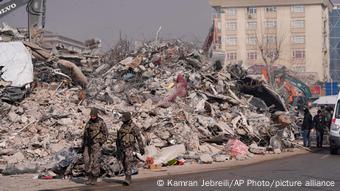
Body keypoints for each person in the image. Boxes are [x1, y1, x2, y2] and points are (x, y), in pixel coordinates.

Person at [116, 112, 145, 186]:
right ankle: (127, 175)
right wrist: (118, 147)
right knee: (123, 161)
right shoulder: (123, 126)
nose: (122, 120)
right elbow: (119, 137)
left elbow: (139, 138)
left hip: (129, 146)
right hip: (122, 147)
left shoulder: (134, 127)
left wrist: (141, 148)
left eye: (124, 119)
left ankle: (128, 178)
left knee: (127, 161)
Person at [82, 108, 108, 185]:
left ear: (96, 115)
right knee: (86, 160)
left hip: (96, 144)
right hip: (88, 144)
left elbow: (106, 134)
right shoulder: (89, 122)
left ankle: (94, 177)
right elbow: (85, 133)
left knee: (95, 161)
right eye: (91, 116)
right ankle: (89, 176)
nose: (92, 117)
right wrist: (83, 144)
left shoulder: (101, 122)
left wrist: (100, 142)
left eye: (94, 116)